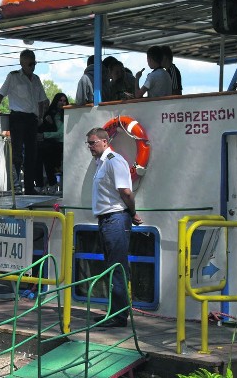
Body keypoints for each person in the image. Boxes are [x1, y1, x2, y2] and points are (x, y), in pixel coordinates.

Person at [86, 127, 143, 328]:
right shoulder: (100, 163)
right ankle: (114, 311)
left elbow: (126, 193)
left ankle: (119, 316)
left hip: (116, 219)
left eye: (92, 143)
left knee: (116, 268)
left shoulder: (114, 161)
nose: (90, 147)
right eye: (88, 143)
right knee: (111, 267)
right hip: (107, 220)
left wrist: (132, 212)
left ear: (104, 141)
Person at [0, 49, 49, 195]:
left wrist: (41, 116)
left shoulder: (36, 79)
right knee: (17, 153)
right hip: (18, 118)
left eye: (34, 63)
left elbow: (43, 100)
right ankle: (16, 187)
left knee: (32, 154)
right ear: (22, 63)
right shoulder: (13, 77)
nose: (33, 66)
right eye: (30, 63)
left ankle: (29, 187)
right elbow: (0, 93)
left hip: (32, 120)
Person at [35, 93, 66, 194]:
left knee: (45, 151)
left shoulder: (66, 114)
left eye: (64, 101)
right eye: (60, 100)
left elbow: (61, 133)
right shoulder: (51, 113)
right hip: (52, 142)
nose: (62, 103)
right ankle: (40, 184)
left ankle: (51, 183)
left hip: (62, 143)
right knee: (38, 151)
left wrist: (44, 135)